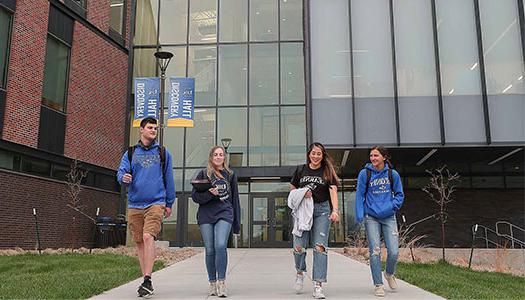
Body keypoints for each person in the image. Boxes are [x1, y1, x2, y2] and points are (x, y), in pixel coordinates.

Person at [116, 116, 176, 298]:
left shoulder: (163, 153)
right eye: (150, 127)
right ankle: (145, 281)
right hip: (135, 204)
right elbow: (121, 172)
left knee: (148, 236)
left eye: (155, 128)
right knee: (140, 243)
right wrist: (123, 178)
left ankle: (148, 279)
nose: (153, 131)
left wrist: (169, 203)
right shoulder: (130, 153)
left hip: (156, 202)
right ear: (141, 130)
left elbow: (169, 179)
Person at [290, 142, 340, 299]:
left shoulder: (327, 171)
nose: (316, 156)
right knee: (299, 247)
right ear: (309, 154)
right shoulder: (300, 170)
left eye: (319, 153)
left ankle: (318, 284)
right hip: (303, 211)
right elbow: (292, 190)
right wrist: (301, 193)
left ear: (322, 155)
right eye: (313, 153)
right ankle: (300, 272)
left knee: (320, 247)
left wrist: (335, 211)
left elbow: (333, 191)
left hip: (321, 211)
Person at [191, 146, 241, 298]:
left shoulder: (230, 175)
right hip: (206, 214)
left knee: (220, 245)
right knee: (210, 249)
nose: (219, 157)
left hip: (224, 212)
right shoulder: (203, 173)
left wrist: (236, 225)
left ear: (224, 158)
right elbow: (195, 197)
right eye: (216, 154)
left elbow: (235, 200)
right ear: (211, 157)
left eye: (221, 155)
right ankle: (212, 282)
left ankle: (222, 282)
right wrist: (209, 194)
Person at [355, 146, 404, 297]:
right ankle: (378, 284)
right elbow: (359, 195)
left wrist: (391, 207)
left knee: (394, 252)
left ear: (384, 157)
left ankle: (389, 273)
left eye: (376, 155)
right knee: (375, 252)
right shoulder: (365, 174)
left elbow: (399, 195)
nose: (373, 158)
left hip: (388, 216)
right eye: (371, 156)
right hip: (372, 217)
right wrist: (359, 215)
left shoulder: (392, 174)